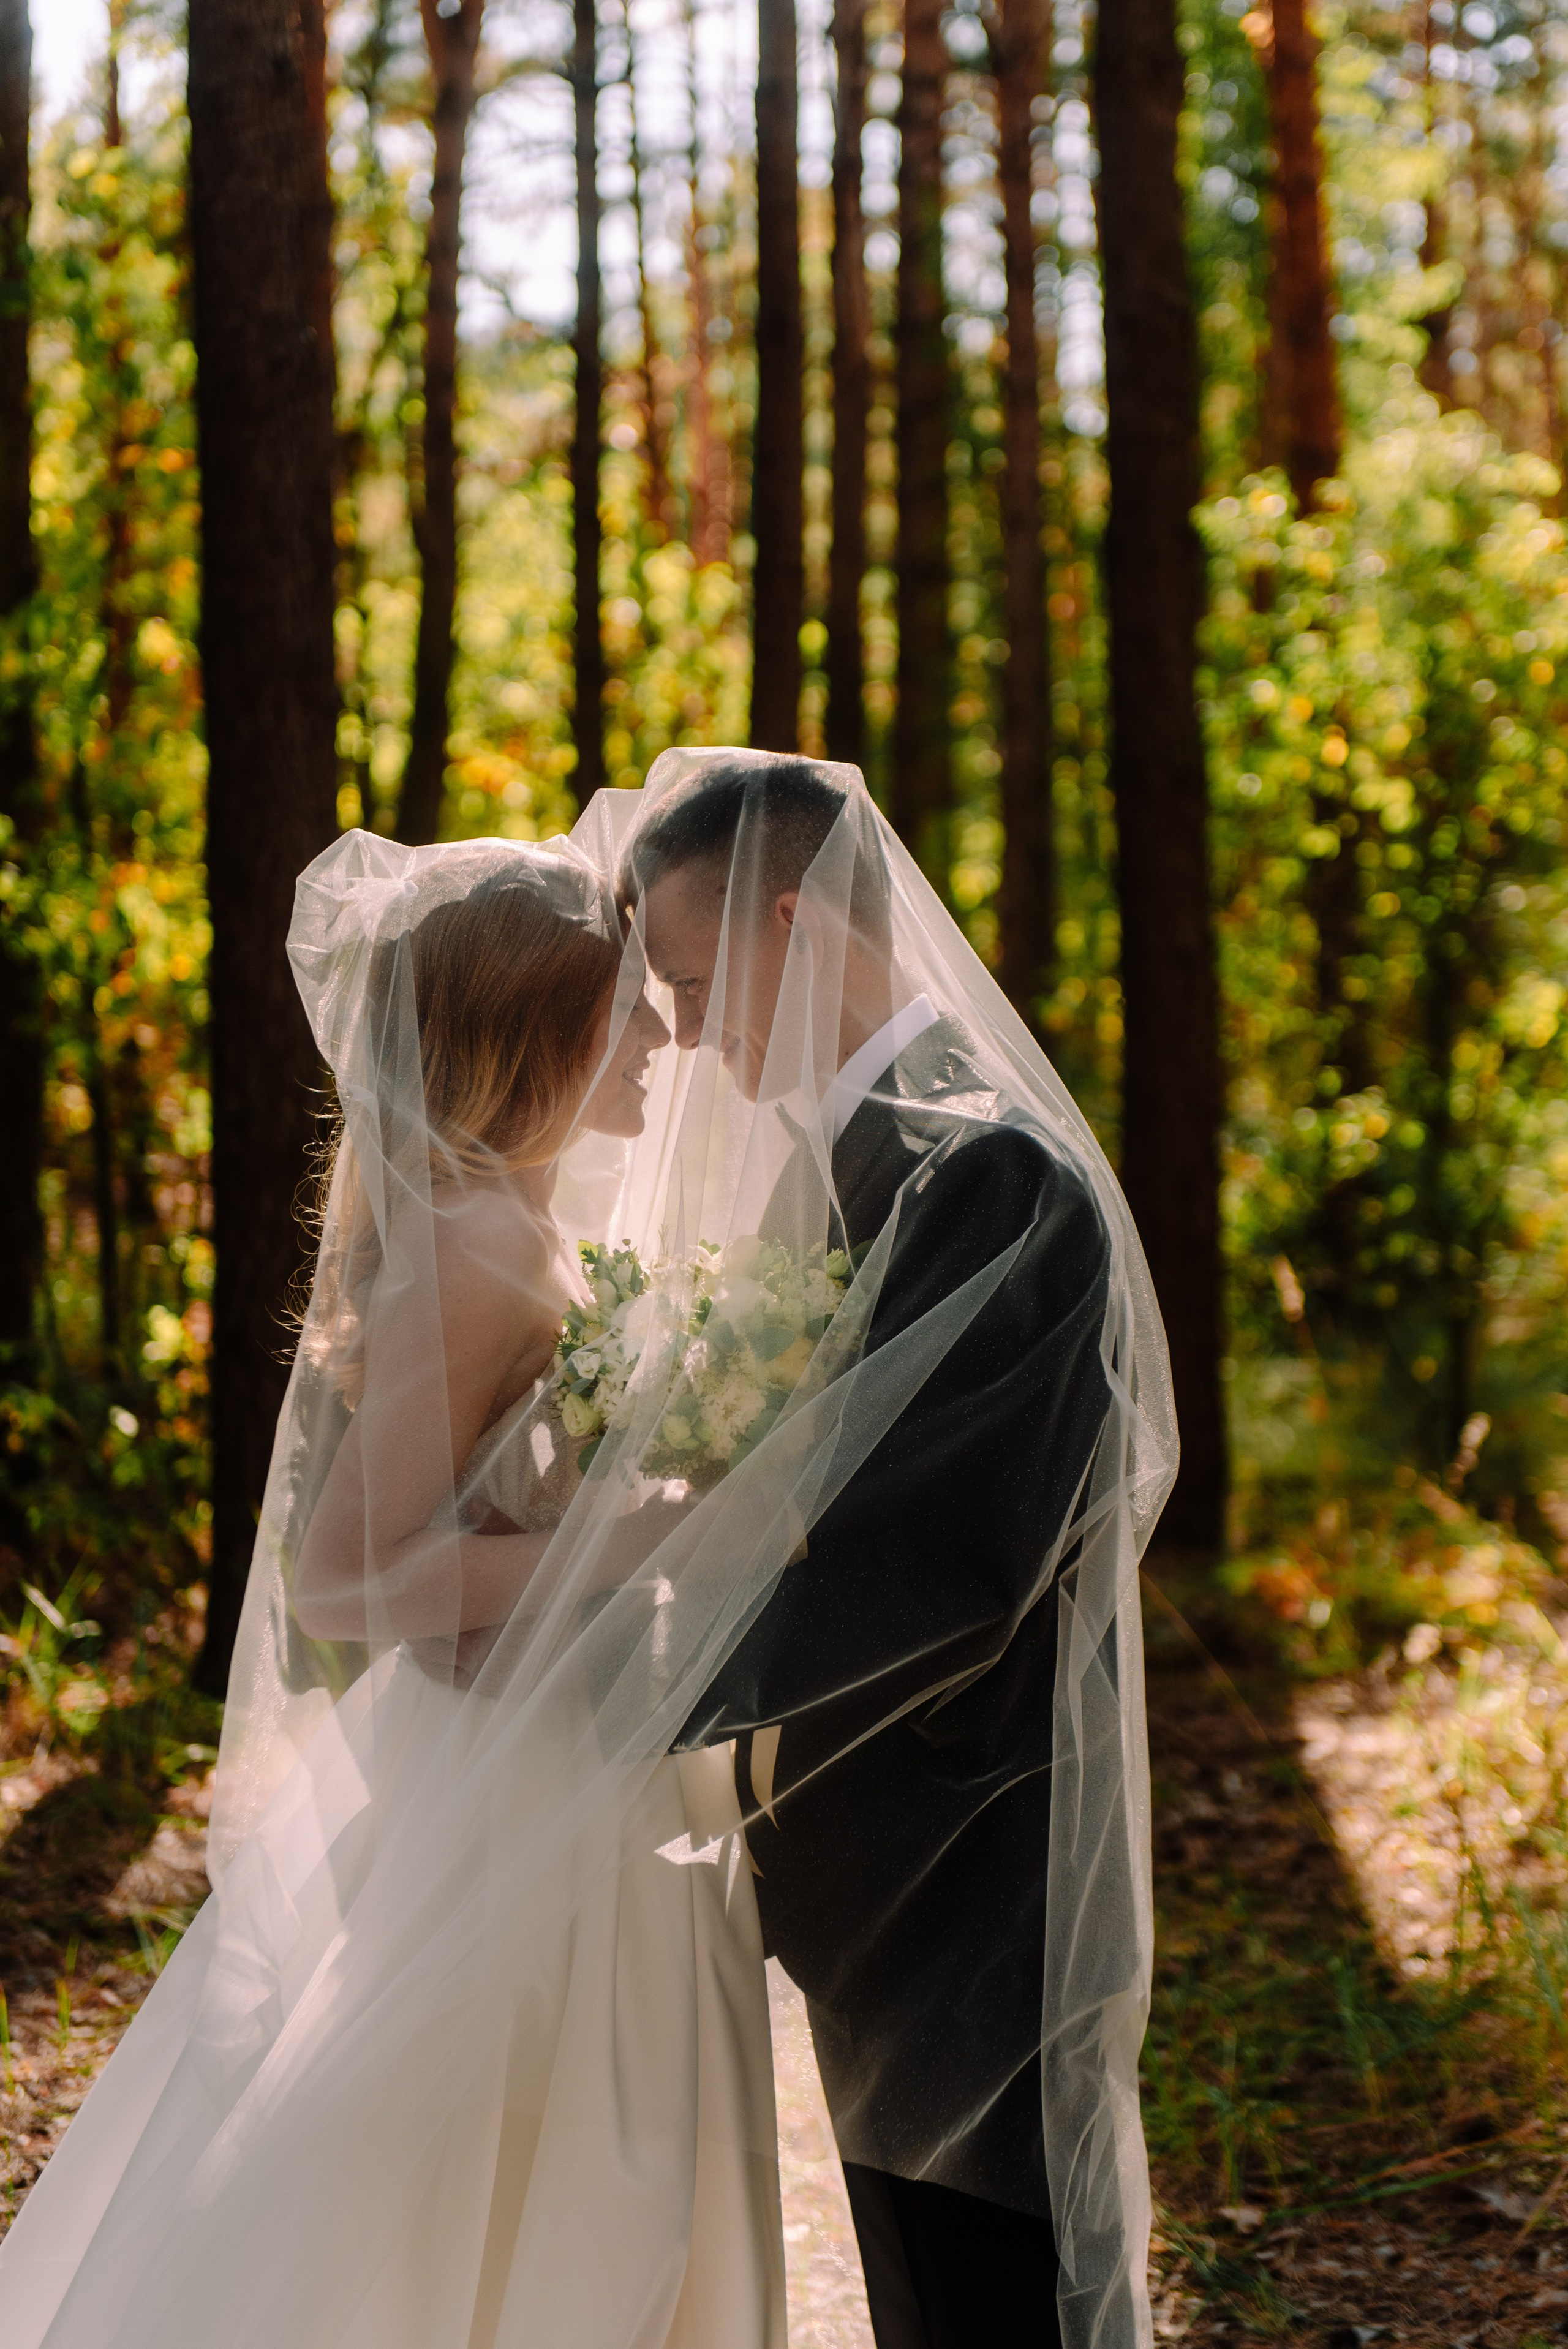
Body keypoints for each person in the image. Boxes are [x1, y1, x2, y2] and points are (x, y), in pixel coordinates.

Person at [619, 750, 1177, 2349]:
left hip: (980, 1878)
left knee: (1015, 2308)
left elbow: (943, 1572)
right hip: (878, 1884)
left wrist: (638, 1697)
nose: (682, 1031)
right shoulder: (838, 1163)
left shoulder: (989, 1173)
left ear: (791, 922)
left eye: (691, 976)